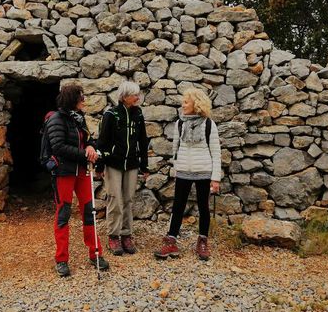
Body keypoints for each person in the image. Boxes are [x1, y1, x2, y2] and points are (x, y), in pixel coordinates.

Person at [45, 83, 109, 277]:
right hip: (64, 173)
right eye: (82, 97)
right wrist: (84, 154)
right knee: (63, 213)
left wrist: (90, 147)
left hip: (81, 172)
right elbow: (58, 147)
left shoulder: (78, 118)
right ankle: (61, 259)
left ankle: (95, 253)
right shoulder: (56, 119)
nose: (85, 100)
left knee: (89, 212)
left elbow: (86, 139)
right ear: (73, 99)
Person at [154, 88, 221, 261]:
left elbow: (216, 152)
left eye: (186, 102)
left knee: (203, 207)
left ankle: (202, 241)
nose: (182, 105)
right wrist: (177, 168)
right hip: (183, 171)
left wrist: (215, 178)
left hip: (204, 172)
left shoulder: (208, 124)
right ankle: (171, 241)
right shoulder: (179, 124)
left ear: (196, 104)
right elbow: (175, 149)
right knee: (178, 206)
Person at [96, 81, 149, 256]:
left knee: (128, 199)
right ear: (125, 97)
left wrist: (144, 164)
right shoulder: (111, 114)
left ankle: (126, 234)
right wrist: (100, 164)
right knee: (114, 199)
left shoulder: (138, 114)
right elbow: (102, 141)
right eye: (134, 95)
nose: (138, 97)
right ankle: (113, 235)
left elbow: (143, 140)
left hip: (132, 163)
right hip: (113, 163)